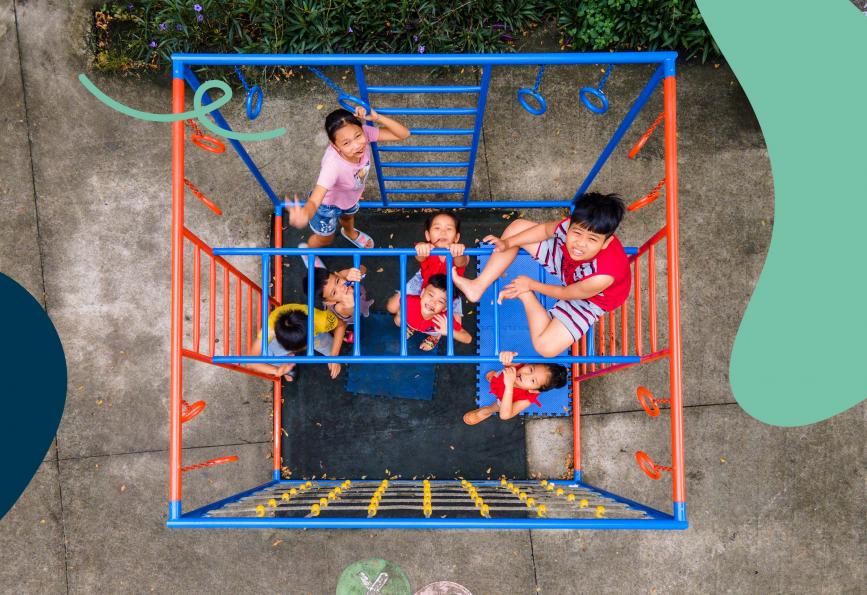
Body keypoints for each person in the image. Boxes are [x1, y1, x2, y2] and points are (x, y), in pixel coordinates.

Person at [452, 192, 630, 358]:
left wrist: (530, 285)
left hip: (589, 298)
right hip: (566, 264)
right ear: (571, 225)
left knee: (546, 348)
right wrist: (508, 243)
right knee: (517, 228)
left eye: (592, 239)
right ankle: (477, 286)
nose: (580, 244)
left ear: (607, 243)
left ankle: (525, 295)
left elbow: (566, 293)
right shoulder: (573, 225)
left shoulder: (601, 276)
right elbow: (545, 230)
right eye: (577, 233)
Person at [286, 106, 410, 250]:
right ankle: (308, 252)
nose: (357, 145)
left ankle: (350, 233)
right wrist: (305, 214)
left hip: (350, 197)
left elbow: (404, 134)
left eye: (358, 136)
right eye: (346, 143)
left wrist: (378, 118)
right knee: (325, 240)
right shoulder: (332, 165)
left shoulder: (366, 133)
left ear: (362, 130)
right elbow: (315, 199)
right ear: (335, 146)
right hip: (327, 207)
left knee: (348, 217)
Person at [386, 210, 468, 320]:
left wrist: (459, 251)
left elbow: (462, 262)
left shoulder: (460, 251)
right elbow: (420, 256)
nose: (443, 233)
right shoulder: (427, 248)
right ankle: (410, 316)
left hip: (450, 289)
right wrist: (420, 247)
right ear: (428, 235)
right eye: (437, 228)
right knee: (391, 307)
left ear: (457, 238)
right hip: (423, 280)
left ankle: (435, 332)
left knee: (454, 326)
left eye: (449, 229)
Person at [245, 304, 346, 382]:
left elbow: (341, 325)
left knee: (329, 347)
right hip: (286, 335)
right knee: (266, 353)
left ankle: (330, 354)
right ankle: (282, 363)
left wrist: (334, 356)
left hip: (313, 332)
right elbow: (250, 362)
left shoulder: (320, 320)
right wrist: (276, 370)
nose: (293, 353)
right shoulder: (270, 330)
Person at [463, 351, 568, 424]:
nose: (525, 375)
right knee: (498, 375)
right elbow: (506, 360)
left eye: (532, 380)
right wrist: (507, 356)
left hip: (505, 398)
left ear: (534, 390)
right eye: (531, 370)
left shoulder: (527, 398)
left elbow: (505, 416)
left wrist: (509, 387)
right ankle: (494, 380)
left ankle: (487, 411)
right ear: (528, 364)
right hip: (501, 379)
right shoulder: (520, 366)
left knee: (498, 406)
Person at [387, 274, 472, 351]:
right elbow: (396, 304)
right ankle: (412, 327)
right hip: (413, 321)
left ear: (445, 308)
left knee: (438, 331)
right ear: (422, 293)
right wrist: (399, 314)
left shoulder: (444, 319)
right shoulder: (409, 301)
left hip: (434, 330)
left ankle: (435, 337)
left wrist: (448, 331)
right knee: (398, 319)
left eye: (440, 301)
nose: (432, 303)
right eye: (430, 295)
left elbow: (468, 338)